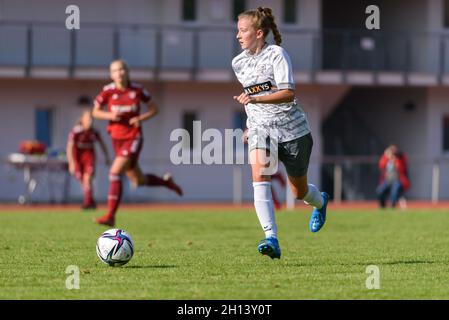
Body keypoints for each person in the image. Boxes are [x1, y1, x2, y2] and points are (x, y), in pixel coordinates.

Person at [232, 7, 329, 259]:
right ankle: (270, 238)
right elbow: (249, 102)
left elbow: (288, 93)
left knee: (298, 192)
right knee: (259, 174)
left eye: (243, 30)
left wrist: (255, 98)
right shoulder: (238, 62)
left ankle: (320, 201)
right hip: (261, 130)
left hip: (293, 131)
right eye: (237, 30)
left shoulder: (277, 55)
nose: (238, 36)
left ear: (259, 33)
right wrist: (250, 126)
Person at [92, 59, 183, 226]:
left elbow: (154, 109)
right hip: (116, 138)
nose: (119, 73)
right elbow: (95, 112)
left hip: (133, 137)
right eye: (115, 71)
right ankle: (166, 182)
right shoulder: (107, 91)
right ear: (111, 75)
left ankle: (110, 215)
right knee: (138, 180)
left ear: (127, 72)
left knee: (114, 172)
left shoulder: (138, 90)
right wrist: (109, 116)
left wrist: (140, 118)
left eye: (121, 70)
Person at [67, 109, 110, 209]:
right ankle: (91, 201)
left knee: (88, 179)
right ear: (82, 119)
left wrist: (106, 156)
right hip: (77, 157)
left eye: (91, 118)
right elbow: (69, 147)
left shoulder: (94, 132)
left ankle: (86, 203)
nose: (90, 120)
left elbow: (102, 144)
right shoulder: (76, 131)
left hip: (89, 156)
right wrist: (71, 163)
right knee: (83, 181)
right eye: (88, 118)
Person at [376, 144, 410, 208]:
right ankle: (382, 207)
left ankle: (392, 207)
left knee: (394, 192)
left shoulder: (400, 158)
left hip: (398, 180)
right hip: (388, 181)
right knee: (380, 191)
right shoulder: (386, 159)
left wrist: (394, 154)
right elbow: (381, 165)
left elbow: (400, 154)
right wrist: (387, 155)